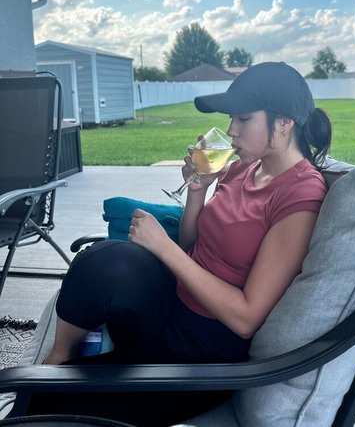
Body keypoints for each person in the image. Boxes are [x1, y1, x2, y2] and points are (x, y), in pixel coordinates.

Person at [35, 61, 332, 426]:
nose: (231, 130)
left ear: (284, 122)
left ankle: (56, 385)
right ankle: (58, 357)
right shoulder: (243, 167)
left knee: (52, 404)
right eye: (231, 119)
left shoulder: (300, 193)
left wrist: (164, 247)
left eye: (243, 119)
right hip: (173, 306)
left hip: (206, 348)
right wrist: (198, 191)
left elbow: (246, 319)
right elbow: (195, 247)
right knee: (103, 259)